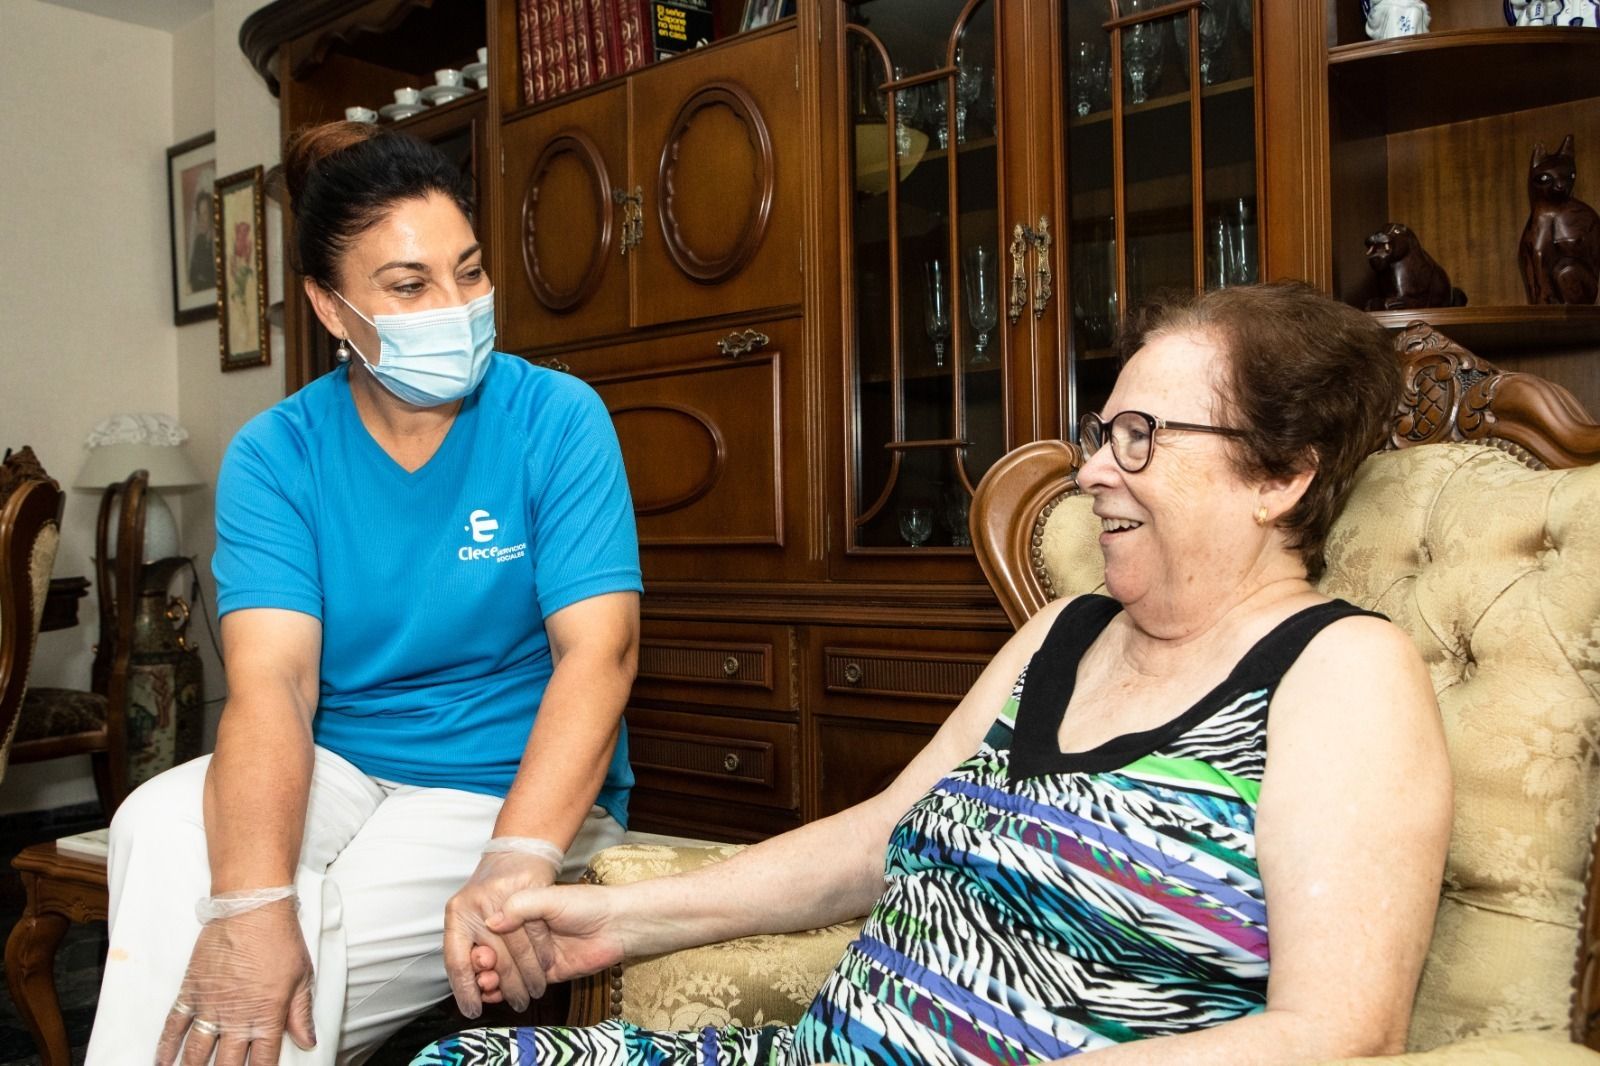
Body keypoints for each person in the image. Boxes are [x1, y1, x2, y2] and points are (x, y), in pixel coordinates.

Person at [413, 282, 1453, 1065]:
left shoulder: (1343, 675)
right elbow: (879, 835)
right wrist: (618, 920)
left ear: (1281, 475)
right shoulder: (1063, 633)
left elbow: (1338, 1029)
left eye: (1140, 438)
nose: (1090, 469)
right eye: (1102, 433)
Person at [88, 121, 643, 1066]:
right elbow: (275, 687)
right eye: (410, 285)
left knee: (313, 931)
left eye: (470, 272)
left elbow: (601, 653)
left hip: (502, 781)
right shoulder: (278, 453)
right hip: (339, 766)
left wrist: (516, 861)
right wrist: (252, 904)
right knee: (159, 824)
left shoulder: (557, 417)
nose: (458, 305)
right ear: (330, 308)